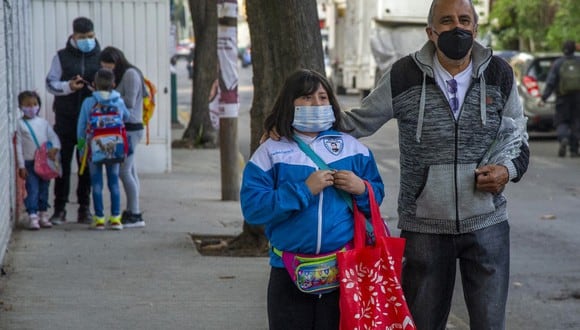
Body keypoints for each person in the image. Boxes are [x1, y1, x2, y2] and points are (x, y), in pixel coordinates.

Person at [268, 1, 529, 328]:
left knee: (490, 324)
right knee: (419, 323)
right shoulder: (404, 74)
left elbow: (519, 136)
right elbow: (358, 122)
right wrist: (292, 123)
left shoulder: (499, 73)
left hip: (488, 223)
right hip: (424, 228)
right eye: (446, 21)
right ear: (431, 32)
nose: (457, 28)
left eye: (465, 20)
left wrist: (507, 171)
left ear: (475, 29)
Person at [241, 69, 385, 330]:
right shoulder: (270, 151)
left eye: (322, 97)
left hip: (344, 272)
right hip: (288, 272)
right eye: (307, 98)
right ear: (290, 103)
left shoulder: (353, 148)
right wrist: (303, 190)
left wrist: (362, 188)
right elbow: (253, 208)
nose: (317, 104)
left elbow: (377, 196)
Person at [46, 16, 101, 225]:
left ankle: (84, 208)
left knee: (85, 164)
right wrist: (68, 86)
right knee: (64, 164)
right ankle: (59, 208)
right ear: (74, 36)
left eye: (90, 36)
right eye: (82, 37)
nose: (87, 40)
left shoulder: (100, 55)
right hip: (66, 121)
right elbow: (50, 83)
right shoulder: (61, 57)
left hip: (90, 125)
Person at [77, 68, 130, 230]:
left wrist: (81, 150)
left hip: (94, 148)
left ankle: (99, 218)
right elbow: (126, 117)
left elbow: (80, 128)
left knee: (97, 183)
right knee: (114, 182)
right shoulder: (119, 102)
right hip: (115, 147)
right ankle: (115, 218)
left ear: (94, 84)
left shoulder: (88, 102)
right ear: (113, 84)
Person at [99, 46, 146, 228]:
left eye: (110, 65)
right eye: (104, 66)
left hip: (131, 127)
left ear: (118, 61)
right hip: (124, 127)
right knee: (131, 171)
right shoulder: (122, 75)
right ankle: (133, 210)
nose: (108, 69)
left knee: (123, 171)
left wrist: (106, 96)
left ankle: (135, 214)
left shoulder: (130, 74)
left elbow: (130, 102)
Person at [15, 91, 61, 230]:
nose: (32, 107)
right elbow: (18, 146)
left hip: (44, 164)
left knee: (44, 189)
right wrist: (21, 166)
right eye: (27, 105)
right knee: (32, 189)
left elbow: (53, 138)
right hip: (29, 164)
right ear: (21, 106)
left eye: (34, 104)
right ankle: (32, 215)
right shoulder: (20, 124)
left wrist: (55, 148)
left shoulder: (43, 123)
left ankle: (43, 214)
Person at [539, 40, 580, 157]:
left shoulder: (558, 63)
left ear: (563, 49)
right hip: (578, 98)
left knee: (562, 121)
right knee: (576, 122)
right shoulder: (579, 61)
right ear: (574, 49)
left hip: (563, 98)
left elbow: (551, 82)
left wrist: (544, 98)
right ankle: (574, 150)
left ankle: (563, 139)